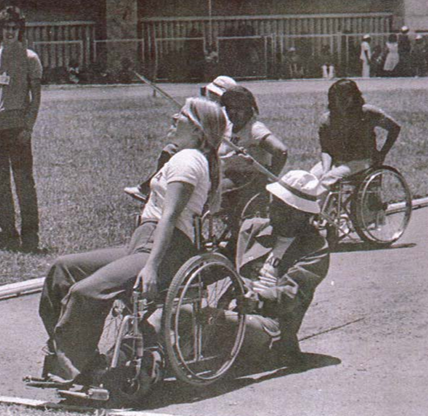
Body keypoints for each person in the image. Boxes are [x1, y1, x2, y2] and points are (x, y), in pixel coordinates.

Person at [37, 97, 226, 384]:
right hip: (144, 241)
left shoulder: (189, 160)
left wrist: (151, 267)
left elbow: (170, 217)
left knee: (85, 292)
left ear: (199, 131)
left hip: (165, 246)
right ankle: (67, 357)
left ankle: (79, 369)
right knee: (62, 270)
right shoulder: (182, 157)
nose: (174, 118)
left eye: (183, 115)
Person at [230, 169, 329, 364]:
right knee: (179, 314)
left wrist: (258, 299)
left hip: (271, 322)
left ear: (302, 214)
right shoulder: (253, 228)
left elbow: (292, 293)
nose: (272, 209)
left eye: (282, 207)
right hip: (235, 308)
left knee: (206, 320)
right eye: (273, 202)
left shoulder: (315, 248)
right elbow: (217, 263)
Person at [125, 75, 237, 201]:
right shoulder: (203, 107)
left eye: (216, 95)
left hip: (208, 151)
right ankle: (153, 187)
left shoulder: (221, 115)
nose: (211, 97)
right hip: (198, 146)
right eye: (210, 93)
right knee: (170, 149)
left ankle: (153, 189)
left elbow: (217, 142)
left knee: (172, 152)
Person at [310, 79, 401, 205]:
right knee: (311, 178)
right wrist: (326, 168)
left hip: (362, 161)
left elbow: (394, 128)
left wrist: (382, 153)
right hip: (337, 161)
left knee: (328, 179)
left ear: (354, 96)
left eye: (346, 96)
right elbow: (326, 149)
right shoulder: (327, 120)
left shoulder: (368, 113)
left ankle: (315, 214)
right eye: (338, 97)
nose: (341, 101)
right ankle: (314, 212)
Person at [219, 86, 288, 240]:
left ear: (248, 109)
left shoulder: (255, 129)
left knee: (209, 191)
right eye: (229, 108)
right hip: (229, 176)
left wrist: (270, 177)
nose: (232, 113)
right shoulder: (230, 127)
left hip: (248, 180)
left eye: (238, 108)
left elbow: (281, 151)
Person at [0, 6, 42, 252]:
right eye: (6, 28)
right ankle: (7, 233)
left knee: (24, 182)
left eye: (14, 28)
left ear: (20, 31)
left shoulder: (29, 58)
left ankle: (30, 235)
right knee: (1, 184)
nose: (9, 32)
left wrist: (29, 126)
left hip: (19, 129)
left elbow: (36, 97)